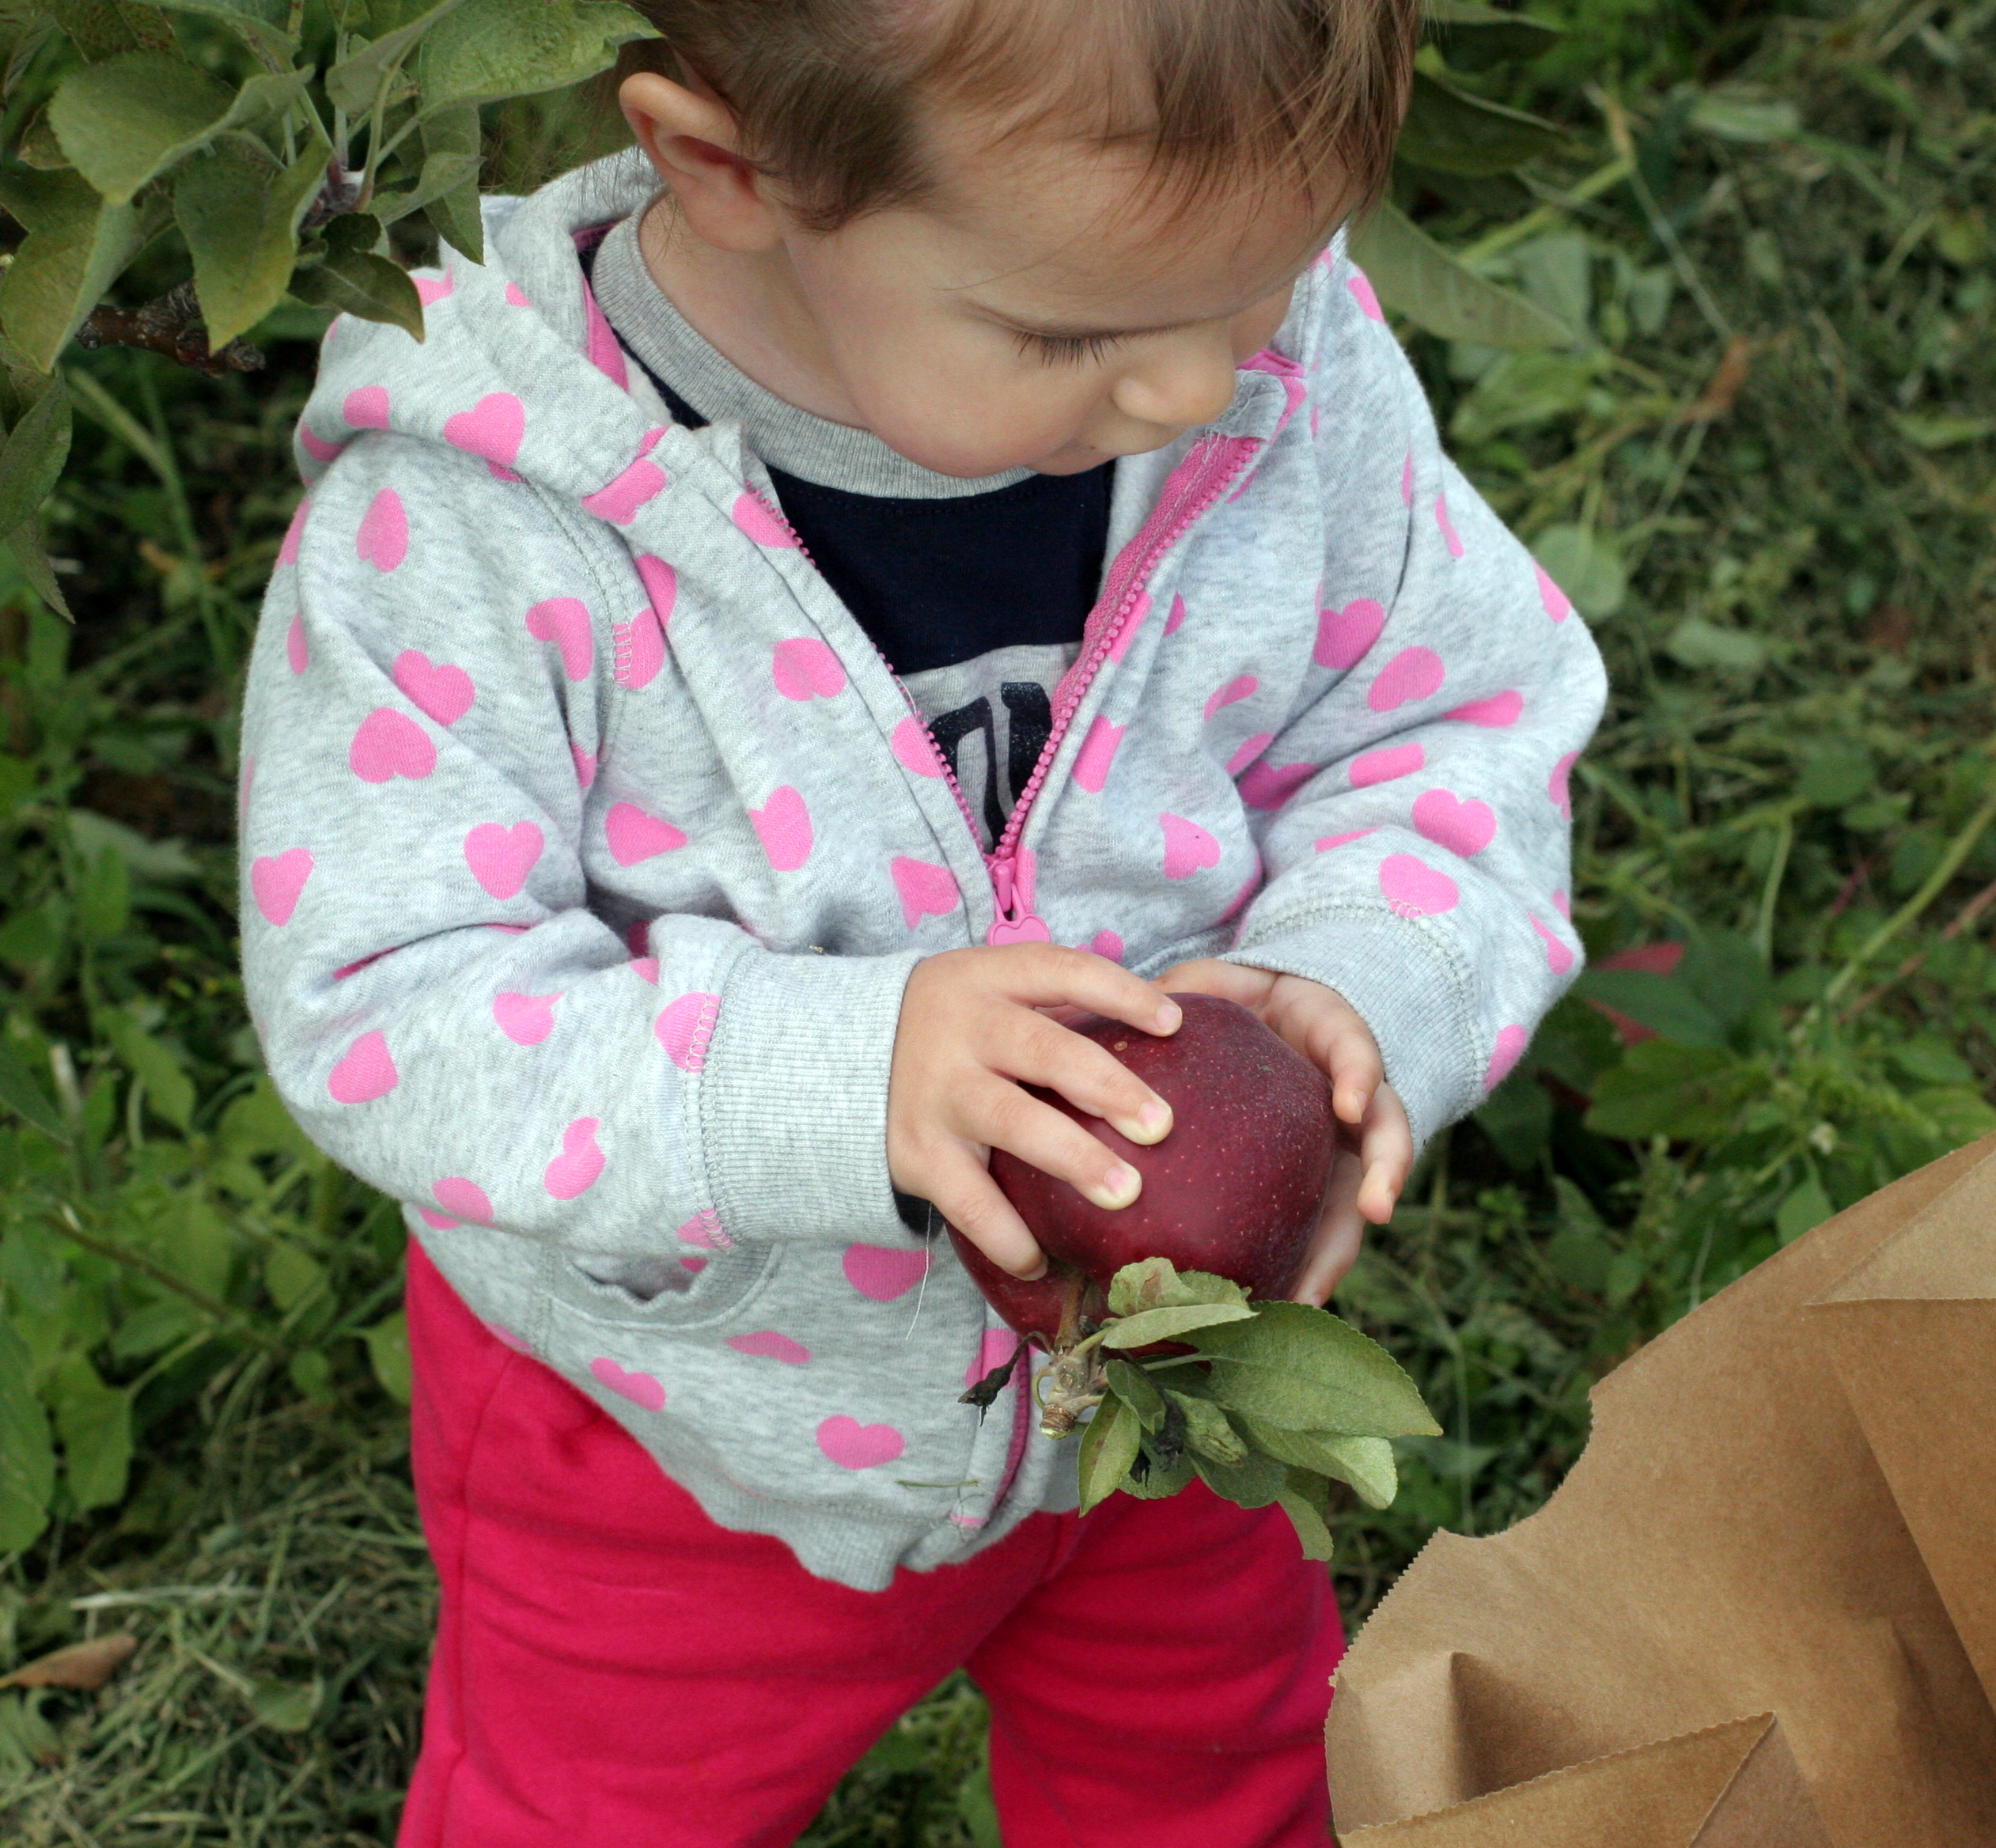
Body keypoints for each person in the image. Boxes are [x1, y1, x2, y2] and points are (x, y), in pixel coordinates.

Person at [237, 0, 1604, 1839]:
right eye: (1072, 333)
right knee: (598, 1811)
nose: (1196, 387)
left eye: (1264, 283)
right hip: (678, 1435)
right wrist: (841, 1077)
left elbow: (1449, 719)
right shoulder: (487, 518)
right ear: (729, 168)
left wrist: (1355, 974)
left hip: (1163, 1383)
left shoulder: (1249, 352)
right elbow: (386, 999)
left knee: (1220, 1775)